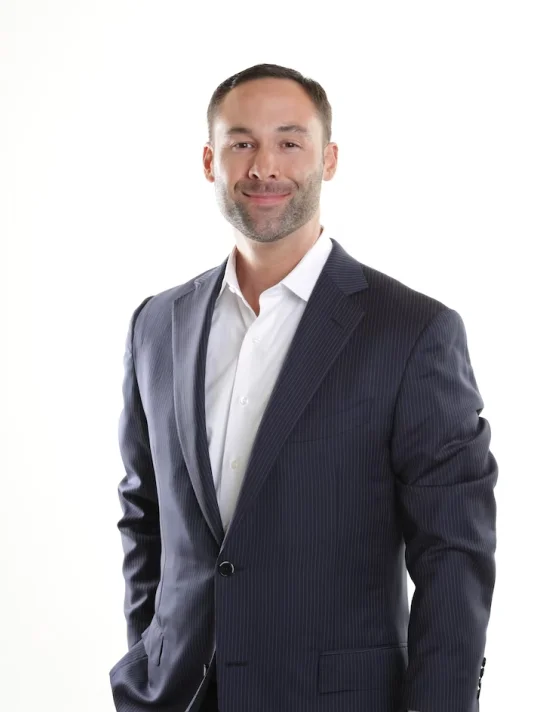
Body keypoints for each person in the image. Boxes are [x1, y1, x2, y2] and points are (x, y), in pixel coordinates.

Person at [108, 63, 497, 712]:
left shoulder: (411, 332)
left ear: (329, 159)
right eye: (241, 142)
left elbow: (454, 554)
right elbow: (143, 516)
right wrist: (150, 662)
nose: (264, 167)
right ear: (209, 161)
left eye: (289, 142)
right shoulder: (157, 325)